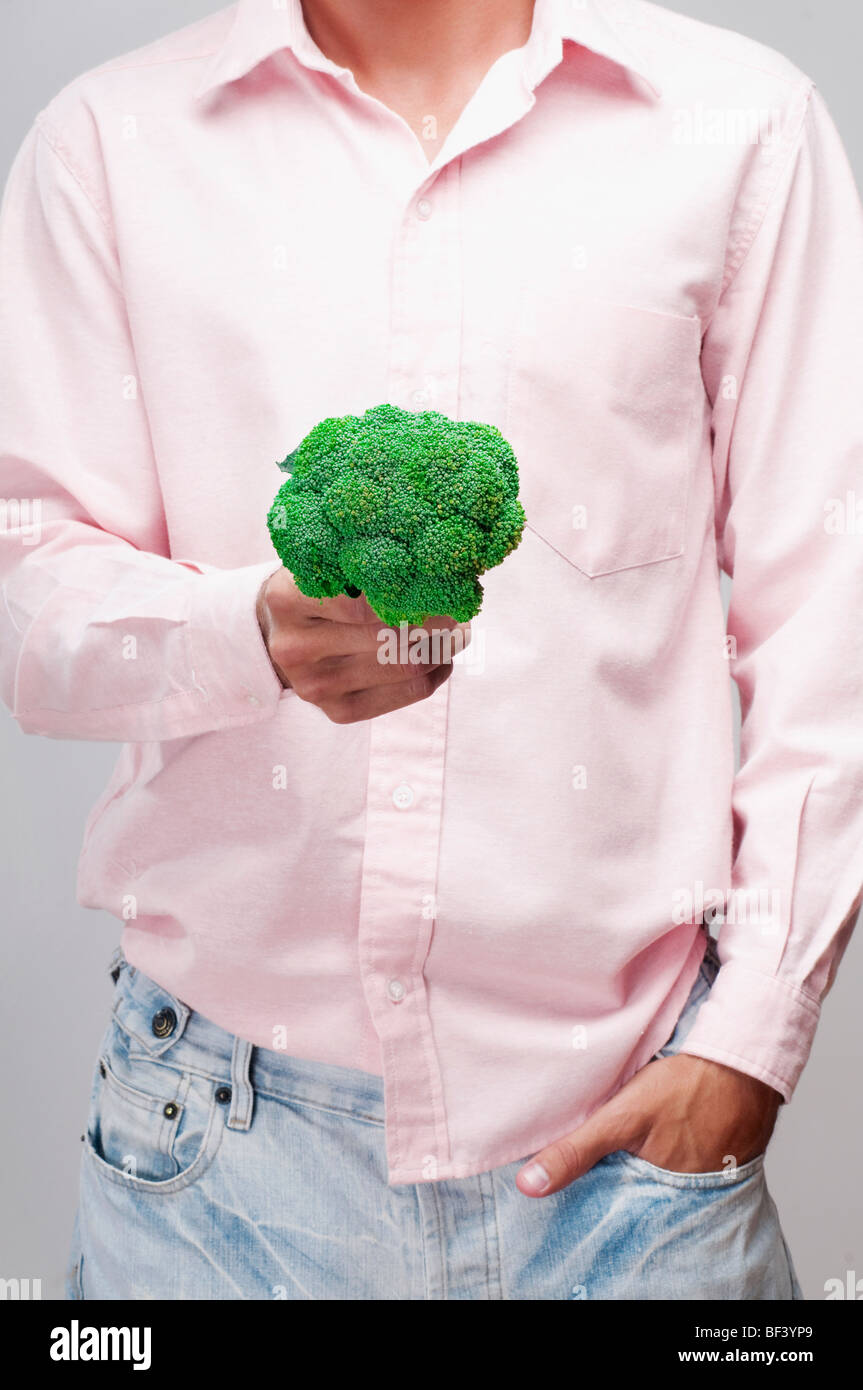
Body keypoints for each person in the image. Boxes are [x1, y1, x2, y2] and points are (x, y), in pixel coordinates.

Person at [1, 0, 861, 1301]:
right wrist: (250, 636)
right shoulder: (107, 145)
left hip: (636, 1164)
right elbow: (29, 593)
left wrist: (752, 1039)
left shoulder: (741, 127)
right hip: (208, 1174)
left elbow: (829, 601)